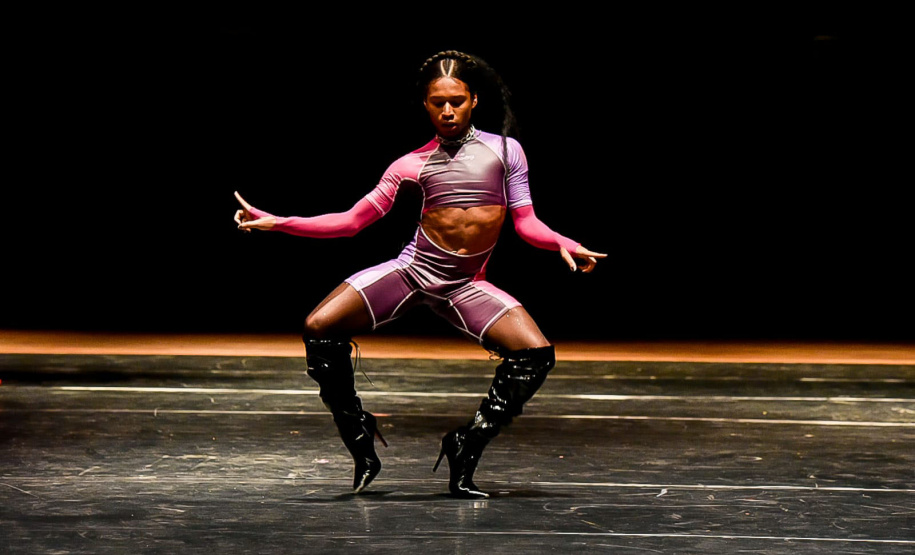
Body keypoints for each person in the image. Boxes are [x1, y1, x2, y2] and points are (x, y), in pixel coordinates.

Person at [233, 50, 606, 498]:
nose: (447, 110)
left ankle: (465, 445)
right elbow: (352, 222)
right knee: (318, 325)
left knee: (535, 354)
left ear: (473, 101)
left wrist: (562, 242)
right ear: (425, 106)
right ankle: (358, 433)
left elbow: (526, 222)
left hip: (466, 285)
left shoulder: (506, 152)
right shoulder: (409, 165)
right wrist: (279, 221)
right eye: (437, 102)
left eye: (456, 100)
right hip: (414, 272)